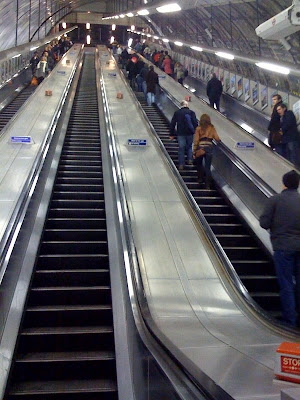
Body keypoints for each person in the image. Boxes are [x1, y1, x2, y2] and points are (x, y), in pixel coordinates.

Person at [260, 170, 300, 327]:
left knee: (286, 284)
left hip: (283, 247)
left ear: (283, 183)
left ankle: (290, 320)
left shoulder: (275, 200)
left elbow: (264, 223)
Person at [193, 114, 221, 188]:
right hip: (209, 148)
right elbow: (217, 138)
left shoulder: (199, 128)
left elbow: (196, 140)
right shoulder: (212, 128)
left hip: (200, 148)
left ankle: (200, 179)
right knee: (207, 167)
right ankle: (207, 184)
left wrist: (194, 151)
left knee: (199, 165)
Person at [169, 100, 198, 170]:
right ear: (187, 105)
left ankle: (181, 164)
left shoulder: (177, 113)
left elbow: (172, 123)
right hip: (190, 133)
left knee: (181, 148)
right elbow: (195, 123)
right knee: (189, 147)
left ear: (181, 105)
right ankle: (190, 160)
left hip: (180, 133)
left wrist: (171, 134)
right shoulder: (191, 113)